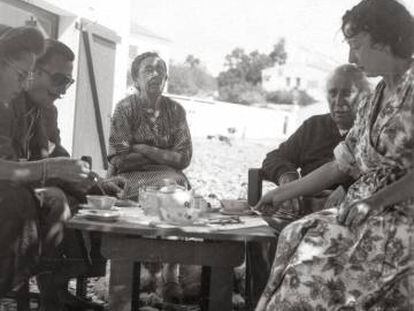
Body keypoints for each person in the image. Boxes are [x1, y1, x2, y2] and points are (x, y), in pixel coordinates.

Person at [254, 0, 414, 310]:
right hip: (365, 211)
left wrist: (374, 202)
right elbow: (339, 165)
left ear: (384, 40)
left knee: (312, 265)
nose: (352, 57)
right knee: (294, 233)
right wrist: (283, 192)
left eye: (357, 46)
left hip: (399, 215)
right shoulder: (374, 98)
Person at [0, 30, 125, 310]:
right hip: (12, 188)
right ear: (32, 71)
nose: (63, 90)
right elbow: (13, 165)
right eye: (58, 80)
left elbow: (55, 153)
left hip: (21, 183)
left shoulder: (46, 109)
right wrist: (52, 171)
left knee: (88, 202)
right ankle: (27, 288)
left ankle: (55, 288)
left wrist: (94, 181)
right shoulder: (7, 102)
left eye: (68, 82)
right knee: (55, 200)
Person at [247, 64, 371, 308]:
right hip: (301, 207)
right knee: (257, 234)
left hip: (348, 213)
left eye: (347, 93)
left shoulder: (371, 131)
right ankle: (262, 302)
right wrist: (287, 177)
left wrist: (346, 187)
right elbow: (275, 158)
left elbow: (377, 171)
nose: (338, 101)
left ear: (366, 96)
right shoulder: (314, 126)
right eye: (332, 93)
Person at [108, 52, 192, 303]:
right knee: (143, 197)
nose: (156, 74)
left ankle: (170, 276)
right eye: (148, 70)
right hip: (131, 177)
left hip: (171, 178)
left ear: (166, 78)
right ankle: (130, 275)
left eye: (160, 70)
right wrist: (164, 155)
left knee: (176, 194)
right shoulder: (125, 108)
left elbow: (184, 157)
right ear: (136, 78)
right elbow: (118, 159)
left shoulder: (176, 110)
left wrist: (143, 148)